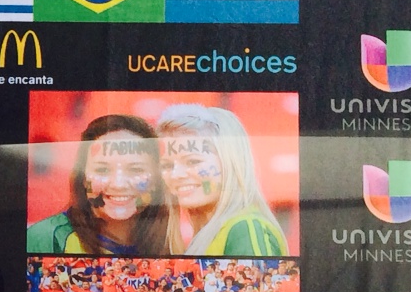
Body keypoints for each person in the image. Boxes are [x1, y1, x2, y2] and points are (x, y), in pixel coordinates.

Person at [155, 105, 288, 256]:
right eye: (167, 165)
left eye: (192, 161)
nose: (175, 175)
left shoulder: (245, 229)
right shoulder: (214, 232)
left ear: (230, 163)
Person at [26, 114, 168, 255]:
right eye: (103, 170)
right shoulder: (47, 239)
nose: (118, 184)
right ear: (83, 177)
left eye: (135, 170)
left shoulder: (171, 240)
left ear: (156, 180)